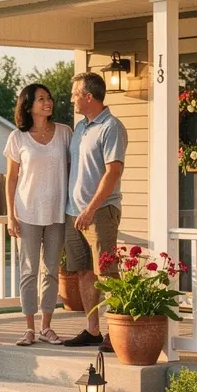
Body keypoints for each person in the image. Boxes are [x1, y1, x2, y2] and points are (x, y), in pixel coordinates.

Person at [62, 71, 128, 349]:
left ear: (89, 96)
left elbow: (113, 171)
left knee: (107, 271)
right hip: (73, 212)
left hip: (100, 211)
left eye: (75, 94)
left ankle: (118, 332)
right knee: (83, 272)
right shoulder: (80, 128)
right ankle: (93, 331)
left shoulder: (111, 127)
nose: (72, 99)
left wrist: (90, 209)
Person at [4, 83, 72, 346]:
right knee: (29, 270)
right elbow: (11, 179)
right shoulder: (17, 138)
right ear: (28, 105)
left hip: (57, 212)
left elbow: (71, 168)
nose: (48, 102)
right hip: (27, 213)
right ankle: (29, 329)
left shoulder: (65, 133)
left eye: (49, 98)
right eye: (41, 99)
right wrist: (11, 215)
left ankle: (46, 327)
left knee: (52, 270)